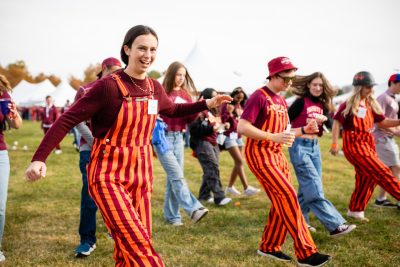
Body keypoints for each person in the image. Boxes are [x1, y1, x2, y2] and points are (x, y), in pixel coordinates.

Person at [25, 25, 231, 266]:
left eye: (153, 49)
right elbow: (68, 118)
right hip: (107, 175)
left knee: (128, 251)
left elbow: (173, 109)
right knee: (139, 246)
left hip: (141, 174)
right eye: (141, 48)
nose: (148, 54)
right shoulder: (108, 86)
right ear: (127, 50)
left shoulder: (154, 87)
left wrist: (205, 103)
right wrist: (39, 158)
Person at [237, 57, 331, 266]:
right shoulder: (259, 97)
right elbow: (242, 127)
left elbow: (285, 132)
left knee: (282, 200)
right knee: (288, 196)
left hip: (277, 153)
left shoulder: (280, 100)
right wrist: (273, 137)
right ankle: (306, 253)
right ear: (273, 75)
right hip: (260, 154)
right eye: (285, 78)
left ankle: (269, 247)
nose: (289, 83)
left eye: (292, 78)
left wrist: (306, 129)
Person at [288, 72, 356, 237]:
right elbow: (284, 125)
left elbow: (320, 127)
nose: (317, 88)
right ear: (308, 86)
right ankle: (335, 225)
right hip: (299, 146)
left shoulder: (322, 105)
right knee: (314, 186)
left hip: (314, 146)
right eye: (314, 85)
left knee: (308, 187)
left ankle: (300, 222)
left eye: (320, 85)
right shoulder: (299, 103)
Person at [330, 71, 400, 221]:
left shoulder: (370, 103)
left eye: (371, 87)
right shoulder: (348, 104)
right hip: (354, 146)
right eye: (368, 87)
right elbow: (336, 123)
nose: (371, 89)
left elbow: (383, 122)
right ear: (358, 87)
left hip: (368, 144)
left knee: (367, 178)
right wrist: (335, 143)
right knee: (381, 171)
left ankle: (355, 211)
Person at [73, 57, 122, 257]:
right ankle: (87, 240)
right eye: (113, 73)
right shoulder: (86, 90)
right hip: (90, 150)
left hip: (115, 151)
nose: (116, 78)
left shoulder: (121, 90)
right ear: (104, 70)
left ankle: (118, 233)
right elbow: (78, 121)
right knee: (90, 196)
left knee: (118, 194)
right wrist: (95, 141)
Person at [154, 61, 208, 226]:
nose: (181, 78)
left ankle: (172, 216)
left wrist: (197, 109)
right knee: (177, 175)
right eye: (178, 74)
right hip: (163, 138)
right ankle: (193, 208)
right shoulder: (161, 91)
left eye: (183, 75)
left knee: (174, 177)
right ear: (171, 74)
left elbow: (189, 120)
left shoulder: (185, 94)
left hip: (179, 138)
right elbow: (152, 111)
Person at [189, 88, 232, 206]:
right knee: (212, 168)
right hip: (203, 143)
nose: (216, 99)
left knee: (211, 169)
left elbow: (215, 126)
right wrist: (210, 129)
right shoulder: (200, 111)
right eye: (214, 96)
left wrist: (224, 125)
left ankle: (204, 196)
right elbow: (193, 129)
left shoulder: (214, 111)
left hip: (213, 142)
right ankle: (219, 197)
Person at [221, 87, 260, 197]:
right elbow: (223, 120)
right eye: (238, 97)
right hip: (229, 136)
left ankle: (229, 187)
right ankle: (246, 188)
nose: (239, 100)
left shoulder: (240, 105)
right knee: (240, 161)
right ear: (233, 95)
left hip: (238, 136)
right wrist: (228, 113)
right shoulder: (227, 104)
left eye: (242, 98)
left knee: (237, 163)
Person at [0, 74, 22, 262]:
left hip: (0, 155)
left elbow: (16, 124)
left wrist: (14, 115)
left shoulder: (3, 95)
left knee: (0, 207)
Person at [372, 73, 400, 209]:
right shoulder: (383, 97)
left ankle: (381, 199)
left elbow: (393, 120)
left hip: (389, 138)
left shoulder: (394, 99)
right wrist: (394, 131)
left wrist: (396, 130)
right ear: (393, 83)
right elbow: (379, 121)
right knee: (396, 168)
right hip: (381, 138)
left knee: (388, 170)